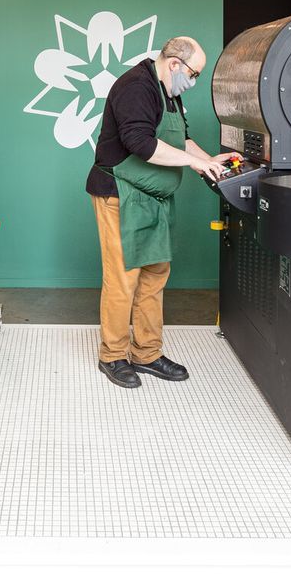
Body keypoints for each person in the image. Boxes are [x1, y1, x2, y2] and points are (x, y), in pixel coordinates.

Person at [85, 36, 228, 388]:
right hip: (121, 193)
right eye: (194, 73)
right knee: (123, 278)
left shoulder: (170, 92)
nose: (193, 81)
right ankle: (113, 355)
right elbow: (141, 144)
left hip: (154, 196)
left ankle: (147, 353)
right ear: (175, 64)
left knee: (154, 275)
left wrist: (208, 160)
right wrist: (194, 163)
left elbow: (182, 139)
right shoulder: (136, 86)